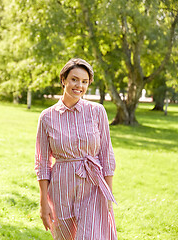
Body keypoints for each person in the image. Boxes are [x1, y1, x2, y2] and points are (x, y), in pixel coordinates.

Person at [35, 58, 117, 240]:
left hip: (93, 187)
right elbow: (42, 163)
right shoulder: (47, 117)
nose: (79, 85)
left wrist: (108, 198)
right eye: (74, 79)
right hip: (61, 191)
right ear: (63, 79)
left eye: (84, 81)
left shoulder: (97, 111)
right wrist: (43, 203)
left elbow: (106, 155)